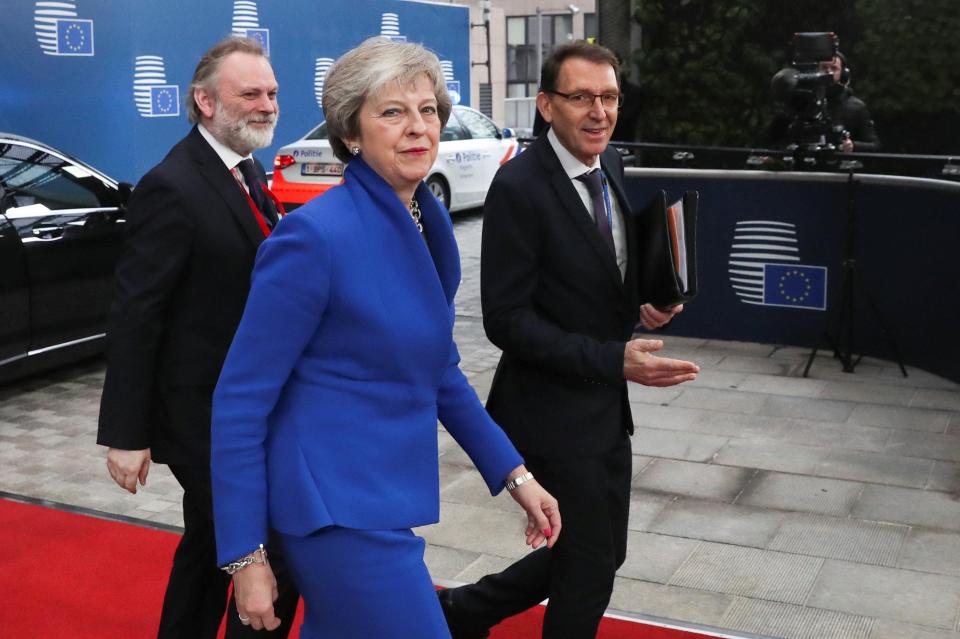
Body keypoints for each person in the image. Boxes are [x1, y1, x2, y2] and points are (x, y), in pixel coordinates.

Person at [209, 37, 562, 638]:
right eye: (392, 112)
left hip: (379, 494)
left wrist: (515, 474)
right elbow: (241, 400)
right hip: (330, 505)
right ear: (351, 133)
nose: (417, 128)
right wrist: (246, 555)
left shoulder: (427, 224)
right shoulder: (312, 238)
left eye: (427, 111)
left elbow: (438, 367)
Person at [437, 42, 700, 639]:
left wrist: (648, 300)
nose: (599, 111)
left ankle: (463, 612)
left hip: (606, 406)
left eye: (609, 97)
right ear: (546, 106)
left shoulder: (610, 163)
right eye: (581, 97)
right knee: (587, 572)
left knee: (606, 554)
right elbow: (505, 320)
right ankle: (464, 612)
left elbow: (603, 271)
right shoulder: (519, 187)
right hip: (548, 412)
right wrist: (613, 359)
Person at [96, 36, 298, 639]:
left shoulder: (245, 169)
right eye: (250, 94)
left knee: (211, 547)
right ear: (205, 102)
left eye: (272, 93)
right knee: (265, 548)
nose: (266, 105)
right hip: (199, 419)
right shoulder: (172, 185)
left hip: (242, 406)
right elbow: (137, 314)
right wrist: (127, 435)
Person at [821, 52, 880, 152]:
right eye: (824, 68)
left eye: (834, 68)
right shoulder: (804, 103)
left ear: (843, 74)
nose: (828, 73)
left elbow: (874, 144)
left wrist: (853, 145)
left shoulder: (856, 107)